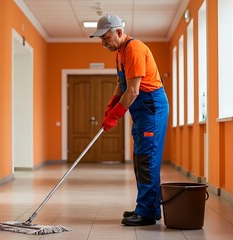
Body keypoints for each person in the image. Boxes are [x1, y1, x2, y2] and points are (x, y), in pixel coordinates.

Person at [90, 14, 169, 226]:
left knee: (147, 159)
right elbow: (122, 84)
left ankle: (146, 213)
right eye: (100, 39)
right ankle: (150, 208)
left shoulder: (134, 50)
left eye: (105, 37)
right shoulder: (120, 52)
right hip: (141, 109)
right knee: (140, 158)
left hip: (150, 107)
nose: (103, 42)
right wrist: (111, 104)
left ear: (118, 31)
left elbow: (133, 91)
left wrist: (115, 116)